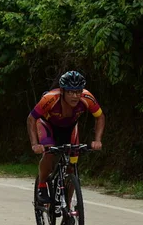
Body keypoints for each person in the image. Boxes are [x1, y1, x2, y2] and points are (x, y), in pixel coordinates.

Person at [27, 70, 105, 203]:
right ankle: (42, 185)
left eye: (78, 91)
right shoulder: (50, 98)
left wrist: (97, 140)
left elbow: (100, 117)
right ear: (62, 91)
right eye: (70, 92)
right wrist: (35, 144)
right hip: (48, 125)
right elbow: (31, 119)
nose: (75, 96)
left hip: (70, 127)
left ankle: (67, 205)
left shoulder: (87, 98)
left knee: (72, 166)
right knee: (49, 152)